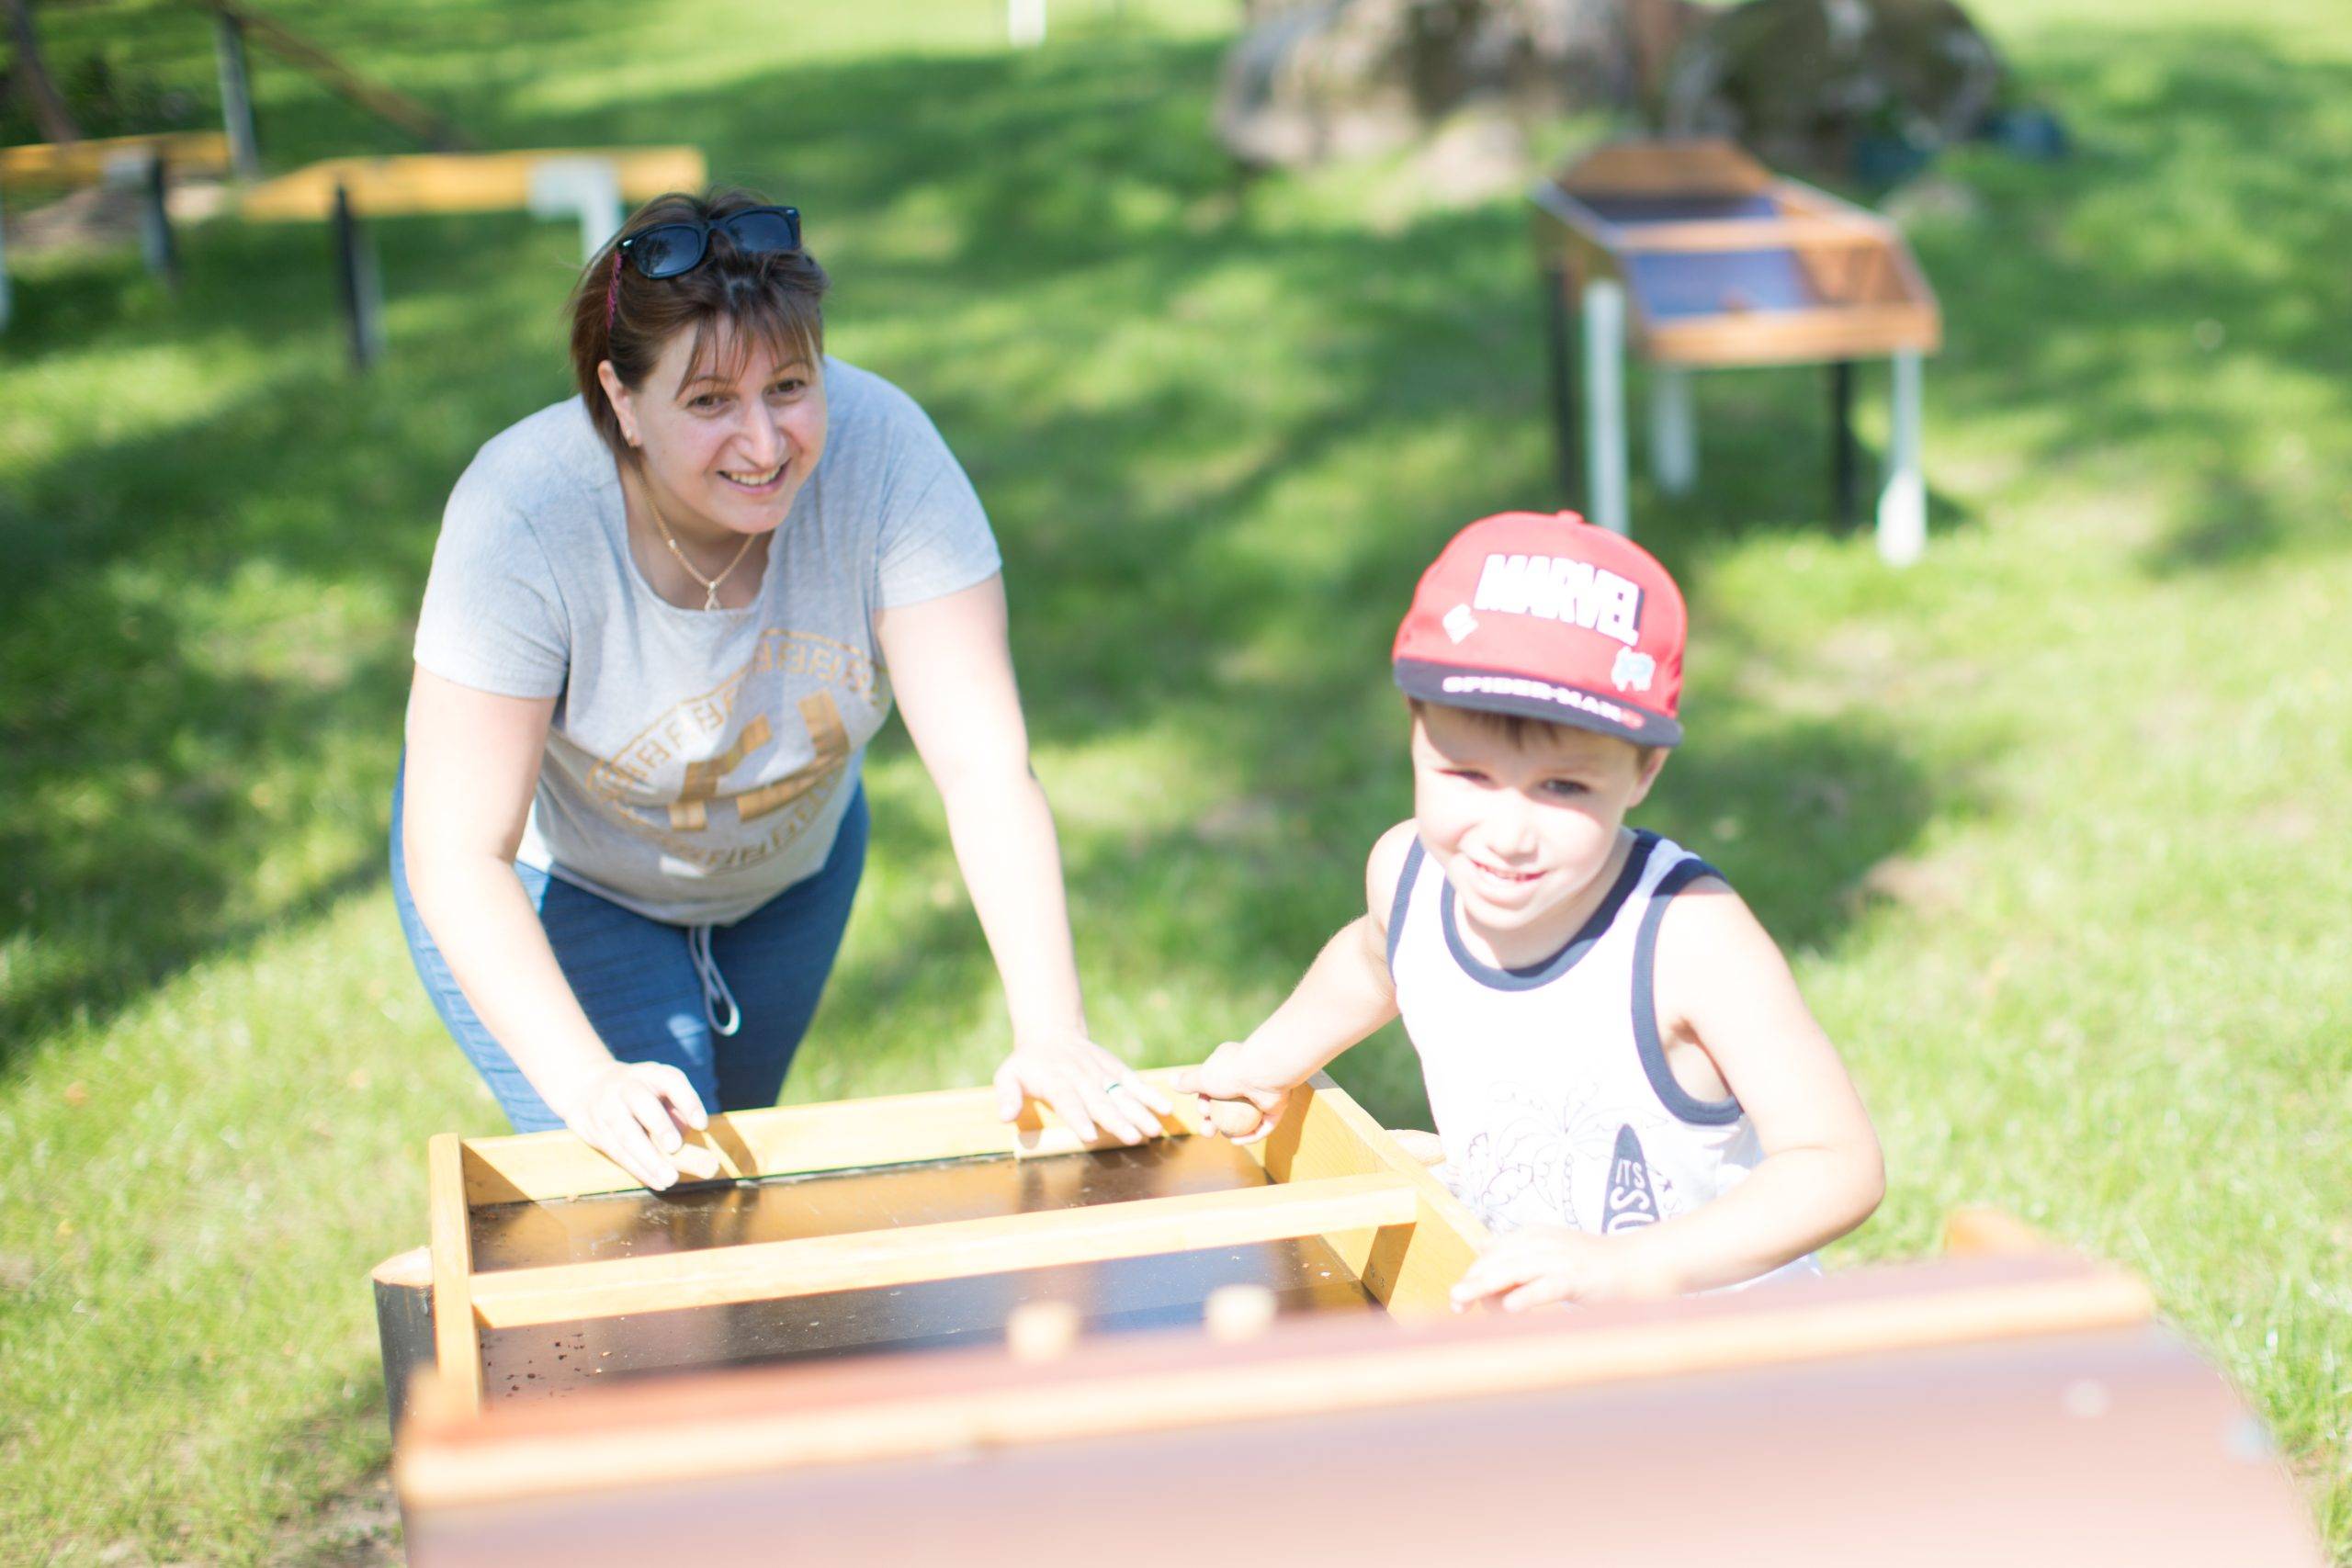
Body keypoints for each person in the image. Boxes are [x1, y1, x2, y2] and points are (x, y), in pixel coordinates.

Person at [392, 189, 1170, 1190]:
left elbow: (984, 769)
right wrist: (585, 1082)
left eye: (790, 388)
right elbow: (458, 852)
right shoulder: (524, 514)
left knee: (733, 1186)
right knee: (654, 1203)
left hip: (787, 881)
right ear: (622, 401)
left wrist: (1053, 1030)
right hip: (564, 884)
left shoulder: (889, 460)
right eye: (710, 402)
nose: (763, 446)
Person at [1178, 512, 1883, 1305]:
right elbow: (1375, 960)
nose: (1508, 835)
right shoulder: (1408, 875)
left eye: (1564, 787)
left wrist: (1633, 1265)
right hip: (1534, 1327)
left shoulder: (1685, 936)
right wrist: (1266, 1064)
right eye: (1468, 775)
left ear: (1644, 769)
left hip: (1720, 1355)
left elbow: (1836, 1161)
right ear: (1415, 730)